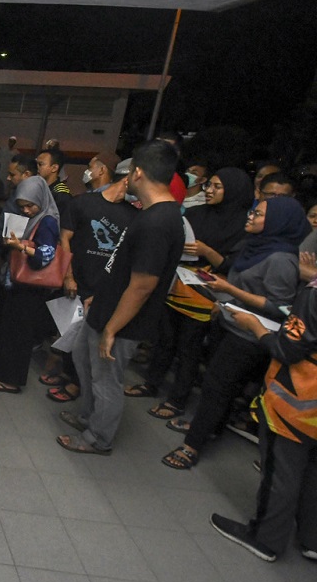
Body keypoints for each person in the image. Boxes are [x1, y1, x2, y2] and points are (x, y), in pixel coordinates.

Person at [56, 141, 185, 455]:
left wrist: (112, 329)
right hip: (105, 306)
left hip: (121, 321)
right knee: (82, 360)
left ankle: (98, 438)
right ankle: (88, 416)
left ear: (138, 173)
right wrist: (100, 299)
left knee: (106, 379)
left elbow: (142, 285)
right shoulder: (152, 214)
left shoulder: (159, 222)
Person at [161, 196, 309, 469]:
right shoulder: (257, 247)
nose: (251, 215)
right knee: (221, 386)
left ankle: (191, 446)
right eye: (253, 210)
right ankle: (211, 428)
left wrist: (230, 291)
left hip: (250, 336)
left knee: (216, 387)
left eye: (259, 214)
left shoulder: (281, 258)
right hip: (230, 322)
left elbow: (279, 308)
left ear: (277, 222)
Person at [125, 168, 254, 415]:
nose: (209, 191)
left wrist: (206, 252)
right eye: (210, 186)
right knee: (165, 341)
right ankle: (151, 383)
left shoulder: (242, 226)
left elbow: (235, 267)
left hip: (206, 296)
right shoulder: (193, 213)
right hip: (176, 285)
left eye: (217, 187)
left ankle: (177, 400)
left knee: (189, 349)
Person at [209, 276, 317, 562]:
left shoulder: (313, 294)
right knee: (313, 473)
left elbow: (288, 350)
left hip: (300, 403)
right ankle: (312, 538)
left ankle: (265, 539)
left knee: (281, 471)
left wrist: (256, 327)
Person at [48, 161, 138, 402]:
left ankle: (78, 384)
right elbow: (65, 240)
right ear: (127, 180)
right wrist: (68, 276)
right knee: (68, 331)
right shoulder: (82, 203)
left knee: (87, 342)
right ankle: (68, 374)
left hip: (104, 288)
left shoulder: (134, 216)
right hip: (77, 280)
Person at [0, 176, 60, 393]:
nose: (26, 211)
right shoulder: (31, 216)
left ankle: (10, 379)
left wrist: (20, 247)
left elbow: (46, 256)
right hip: (16, 282)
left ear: (41, 200)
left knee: (19, 334)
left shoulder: (48, 221)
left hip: (31, 288)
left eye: (30, 206)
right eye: (22, 206)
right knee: (6, 328)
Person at [37, 147, 72, 214]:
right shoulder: (38, 187)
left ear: (54, 168)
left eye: (40, 164)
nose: (37, 167)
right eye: (36, 164)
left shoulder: (61, 194)